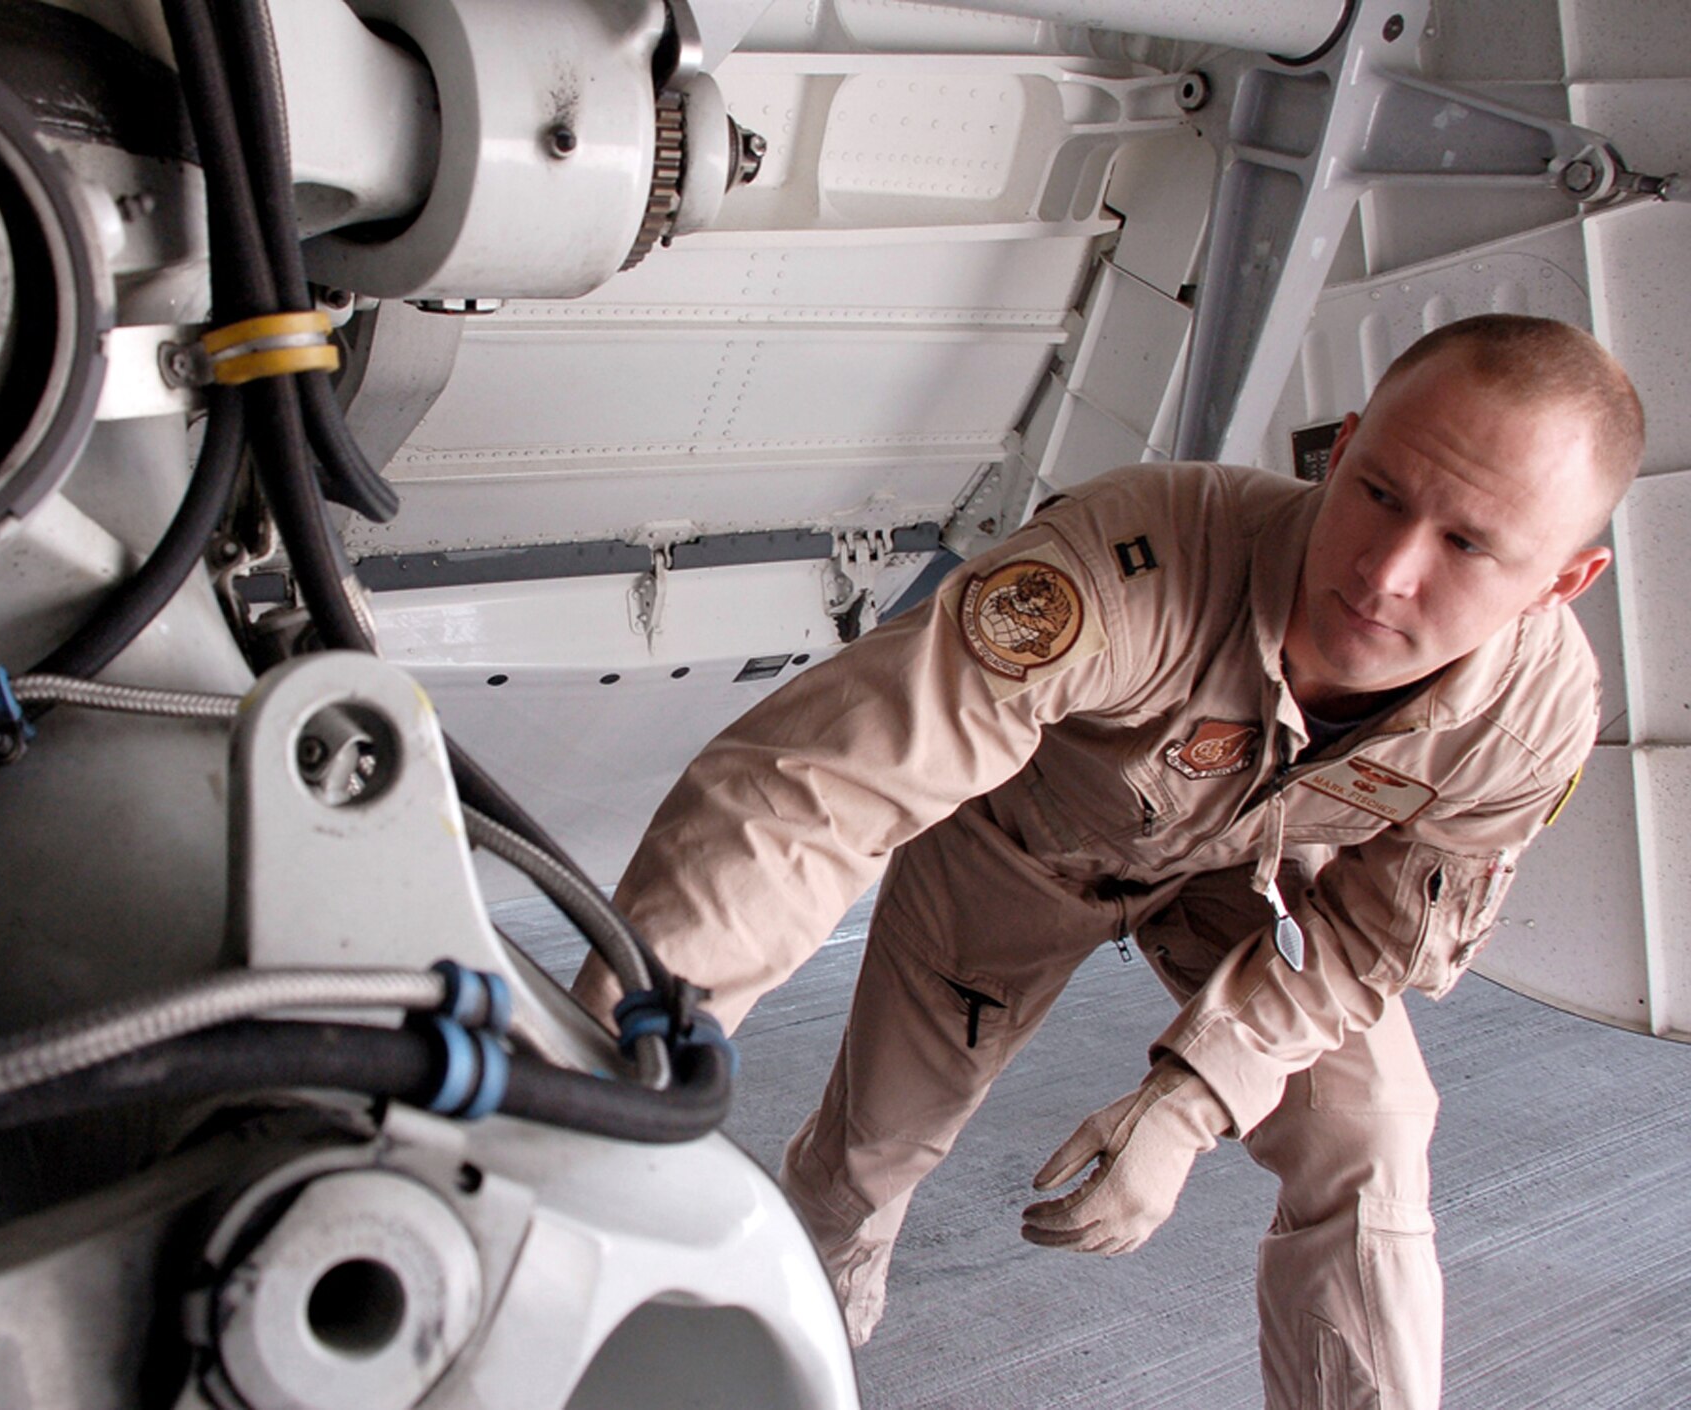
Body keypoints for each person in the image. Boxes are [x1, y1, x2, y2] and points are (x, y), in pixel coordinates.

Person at [573, 313, 1645, 1408]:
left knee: (1369, 1134)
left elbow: (1370, 934)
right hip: (1015, 858)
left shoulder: (1531, 717)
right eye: (1375, 492)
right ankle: (817, 1320)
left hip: (1250, 880)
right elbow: (812, 789)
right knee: (869, 1162)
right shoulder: (1140, 561)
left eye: (1466, 545)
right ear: (1343, 444)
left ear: (1565, 580)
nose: (1384, 572)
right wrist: (617, 1062)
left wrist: (1190, 1099)